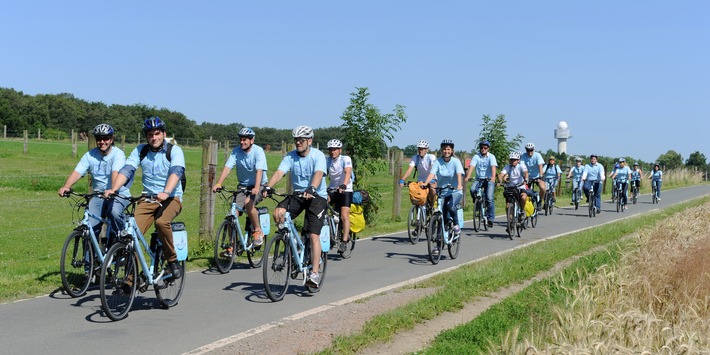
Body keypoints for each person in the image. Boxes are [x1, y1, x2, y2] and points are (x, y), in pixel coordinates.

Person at [104, 116, 186, 280]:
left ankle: (172, 260)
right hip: (148, 199)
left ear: (164, 134)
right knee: (130, 235)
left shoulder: (174, 151)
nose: (154, 138)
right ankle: (132, 278)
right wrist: (114, 188)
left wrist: (166, 191)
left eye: (157, 134)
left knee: (162, 222)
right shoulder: (141, 151)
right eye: (150, 134)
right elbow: (127, 170)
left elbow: (176, 172)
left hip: (171, 198)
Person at [262, 125, 327, 288]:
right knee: (278, 212)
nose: (298, 142)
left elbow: (318, 174)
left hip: (316, 196)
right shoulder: (291, 156)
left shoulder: (317, 156)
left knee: (313, 235)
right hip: (298, 195)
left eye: (301, 140)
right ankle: (290, 242)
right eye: (296, 140)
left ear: (309, 141)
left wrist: (312, 188)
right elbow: (279, 172)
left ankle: (314, 274)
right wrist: (268, 186)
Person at [58, 124, 129, 247]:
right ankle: (90, 264)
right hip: (99, 195)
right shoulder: (90, 155)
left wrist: (112, 189)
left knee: (115, 213)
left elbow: (115, 173)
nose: (102, 142)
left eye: (106, 138)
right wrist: (66, 186)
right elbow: (78, 171)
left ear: (111, 139)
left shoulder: (118, 154)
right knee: (90, 227)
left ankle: (122, 242)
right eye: (99, 139)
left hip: (118, 194)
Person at [212, 127, 268, 252]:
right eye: (240, 140)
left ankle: (258, 231)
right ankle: (232, 245)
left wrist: (257, 188)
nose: (242, 142)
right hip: (243, 186)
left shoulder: (258, 152)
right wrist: (219, 183)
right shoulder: (236, 151)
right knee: (232, 213)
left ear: (251, 140)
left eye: (245, 140)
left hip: (259, 185)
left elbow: (259, 171)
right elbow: (227, 168)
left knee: (249, 203)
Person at [422, 139, 464, 255]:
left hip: (455, 191)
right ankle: (437, 246)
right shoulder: (438, 162)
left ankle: (456, 225)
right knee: (441, 218)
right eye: (444, 149)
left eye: (448, 149)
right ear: (442, 150)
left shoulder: (456, 162)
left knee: (450, 205)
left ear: (452, 150)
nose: (446, 151)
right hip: (442, 191)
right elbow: (432, 173)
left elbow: (459, 174)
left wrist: (459, 185)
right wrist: (426, 183)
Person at [325, 139, 354, 253]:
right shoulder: (327, 160)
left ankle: (344, 241)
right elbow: (322, 174)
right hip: (332, 188)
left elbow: (347, 172)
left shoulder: (345, 159)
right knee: (322, 205)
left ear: (340, 150)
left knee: (344, 215)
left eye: (335, 149)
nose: (332, 152)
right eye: (330, 150)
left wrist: (344, 185)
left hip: (346, 189)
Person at [464, 140, 497, 227]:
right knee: (472, 189)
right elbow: (472, 167)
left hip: (489, 179)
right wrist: (468, 176)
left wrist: (493, 177)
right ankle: (478, 202)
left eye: (485, 148)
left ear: (488, 149)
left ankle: (490, 218)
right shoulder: (476, 156)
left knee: (489, 197)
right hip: (479, 179)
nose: (483, 149)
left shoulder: (491, 157)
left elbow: (493, 167)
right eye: (481, 147)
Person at [399, 140, 437, 207]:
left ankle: (433, 207)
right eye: (419, 148)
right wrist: (402, 180)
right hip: (421, 180)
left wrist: (431, 180)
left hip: (431, 179)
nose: (420, 151)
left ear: (426, 150)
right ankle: (418, 213)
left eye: (422, 149)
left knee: (433, 191)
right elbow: (409, 170)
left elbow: (433, 170)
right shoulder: (415, 158)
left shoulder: (431, 157)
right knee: (416, 196)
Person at [498, 152, 529, 233]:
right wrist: (500, 181)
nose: (512, 161)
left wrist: (525, 180)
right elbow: (501, 174)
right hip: (511, 187)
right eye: (511, 160)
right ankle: (510, 223)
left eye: (514, 160)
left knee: (523, 197)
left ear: (518, 160)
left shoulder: (521, 166)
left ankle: (522, 211)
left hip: (520, 186)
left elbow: (526, 173)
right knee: (508, 205)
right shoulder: (508, 167)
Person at [520, 143, 545, 208]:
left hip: (537, 176)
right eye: (528, 150)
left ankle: (540, 201)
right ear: (526, 150)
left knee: (543, 188)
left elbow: (540, 165)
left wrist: (541, 175)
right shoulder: (523, 156)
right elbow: (522, 165)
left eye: (531, 150)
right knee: (524, 191)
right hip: (527, 177)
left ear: (533, 150)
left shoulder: (537, 155)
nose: (529, 152)